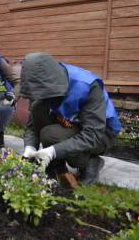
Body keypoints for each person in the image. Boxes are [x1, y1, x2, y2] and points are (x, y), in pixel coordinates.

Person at [21, 53, 121, 185]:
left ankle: (89, 162)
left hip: (102, 134)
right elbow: (32, 125)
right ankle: (56, 166)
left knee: (50, 135)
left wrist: (53, 151)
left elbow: (93, 134)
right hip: (70, 123)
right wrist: (30, 147)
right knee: (37, 108)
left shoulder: (87, 85)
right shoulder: (39, 84)